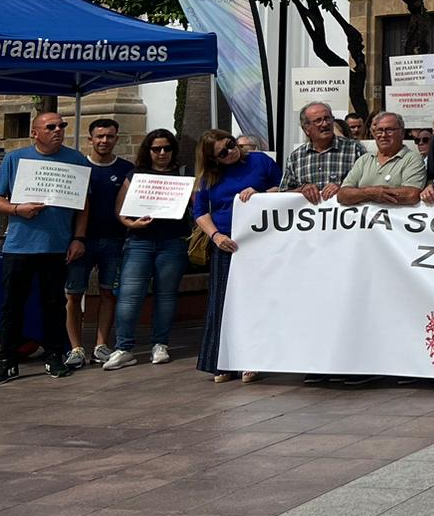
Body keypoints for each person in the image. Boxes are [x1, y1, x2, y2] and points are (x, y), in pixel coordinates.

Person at [0, 112, 90, 385]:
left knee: (54, 304)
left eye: (61, 126)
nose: (58, 130)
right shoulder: (15, 158)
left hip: (56, 247)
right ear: (35, 133)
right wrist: (17, 209)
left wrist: (79, 238)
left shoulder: (76, 160)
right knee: (12, 306)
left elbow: (83, 205)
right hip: (20, 246)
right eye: (51, 127)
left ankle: (55, 354)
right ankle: (7, 360)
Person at [192, 129, 281, 383]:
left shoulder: (259, 160)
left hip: (261, 239)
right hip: (228, 242)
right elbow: (199, 211)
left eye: (231, 145)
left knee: (255, 300)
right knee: (221, 301)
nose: (230, 151)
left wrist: (262, 194)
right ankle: (220, 361)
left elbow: (284, 186)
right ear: (213, 159)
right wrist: (215, 236)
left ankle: (252, 360)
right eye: (222, 152)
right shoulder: (208, 177)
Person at [104, 129, 192, 370]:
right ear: (148, 151)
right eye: (156, 149)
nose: (162, 153)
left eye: (167, 148)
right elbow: (120, 210)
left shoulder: (183, 175)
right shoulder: (135, 175)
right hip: (139, 241)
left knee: (166, 295)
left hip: (172, 241)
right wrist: (131, 223)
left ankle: (160, 344)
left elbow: (197, 204)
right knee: (129, 295)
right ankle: (124, 347)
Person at [64, 117, 132, 368]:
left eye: (110, 136)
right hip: (80, 242)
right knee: (73, 294)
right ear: (90, 138)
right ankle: (76, 348)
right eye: (100, 136)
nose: (104, 141)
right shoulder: (78, 166)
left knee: (107, 293)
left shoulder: (126, 168)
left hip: (114, 241)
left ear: (116, 138)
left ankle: (101, 345)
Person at [338, 111, 427, 206]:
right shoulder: (364, 160)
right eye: (379, 130)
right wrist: (370, 193)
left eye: (389, 130)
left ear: (402, 133)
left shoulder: (412, 159)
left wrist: (363, 194)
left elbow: (411, 194)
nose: (383, 135)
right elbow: (342, 195)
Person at [283, 103, 364, 204]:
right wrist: (301, 190)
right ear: (306, 129)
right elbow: (283, 194)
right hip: (309, 218)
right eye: (318, 121)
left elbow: (368, 185)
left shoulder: (355, 149)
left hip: (345, 217)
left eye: (328, 118)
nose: (325, 124)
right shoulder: (296, 157)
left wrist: (344, 190)